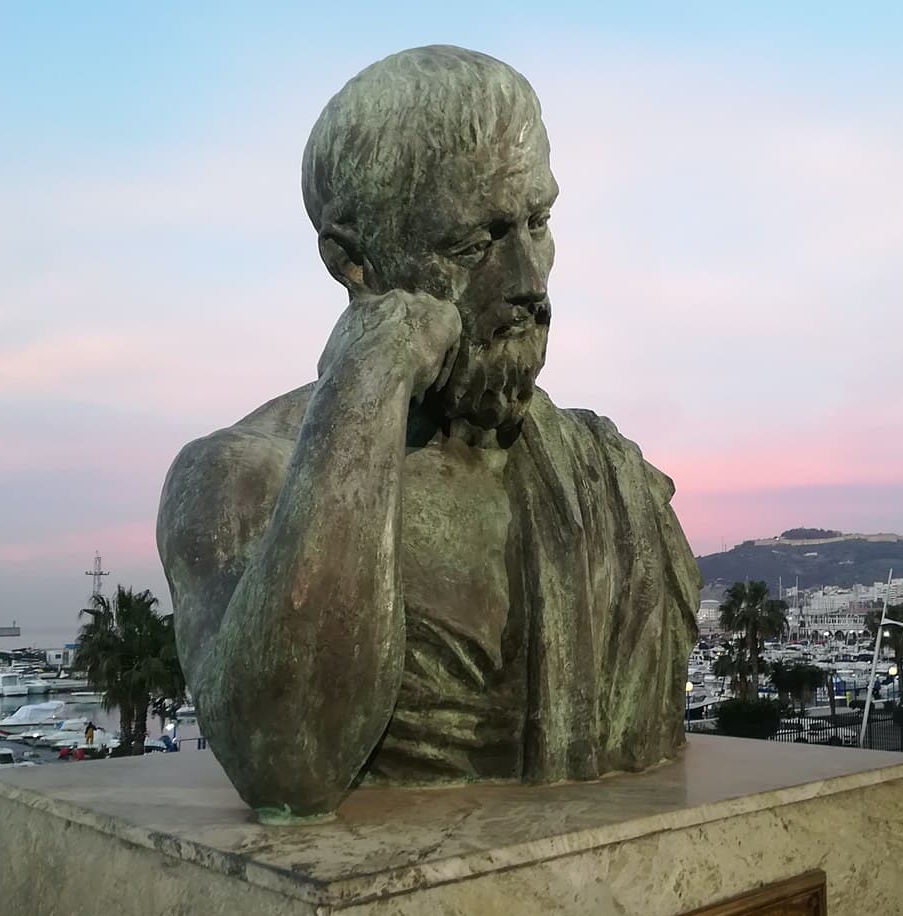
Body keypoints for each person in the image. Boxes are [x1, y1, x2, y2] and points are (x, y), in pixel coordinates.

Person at [157, 46, 698, 823]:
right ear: (357, 262)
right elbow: (288, 765)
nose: (528, 278)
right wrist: (366, 384)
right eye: (473, 243)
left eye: (537, 222)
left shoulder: (608, 481)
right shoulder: (241, 479)